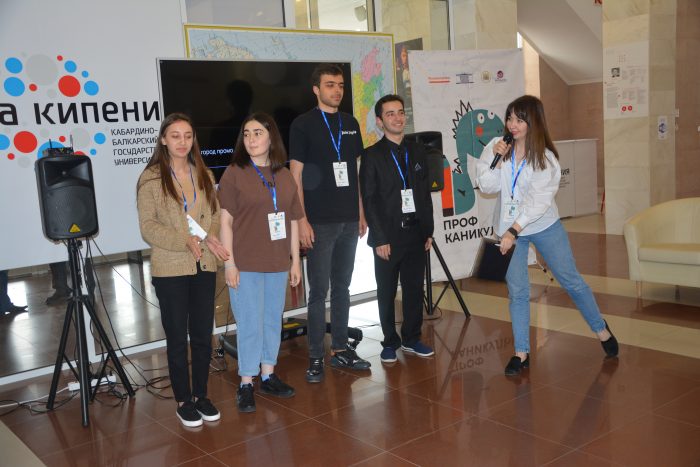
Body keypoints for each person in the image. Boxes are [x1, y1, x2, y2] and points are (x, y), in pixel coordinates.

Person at [475, 95, 619, 376]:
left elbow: (537, 203)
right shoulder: (496, 146)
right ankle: (521, 353)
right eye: (510, 118)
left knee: (571, 281)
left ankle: (600, 328)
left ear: (534, 122)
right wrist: (496, 159)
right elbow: (487, 186)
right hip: (509, 229)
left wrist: (513, 230)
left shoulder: (546, 159)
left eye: (519, 119)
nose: (512, 125)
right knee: (518, 292)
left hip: (543, 226)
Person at [137, 112, 230, 427]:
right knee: (177, 337)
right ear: (164, 139)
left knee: (203, 334)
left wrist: (210, 237)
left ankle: (201, 395)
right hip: (170, 268)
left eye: (188, 136)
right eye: (175, 136)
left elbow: (214, 213)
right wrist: (183, 240)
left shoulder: (204, 173)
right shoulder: (151, 179)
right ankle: (183, 400)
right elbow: (148, 226)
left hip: (204, 263)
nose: (182, 142)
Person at [289, 63, 370, 383]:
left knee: (342, 288)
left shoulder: (350, 124)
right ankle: (315, 357)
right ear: (316, 89)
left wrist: (360, 212)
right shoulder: (303, 125)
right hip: (319, 222)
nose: (337, 90)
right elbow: (296, 176)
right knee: (318, 292)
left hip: (349, 219)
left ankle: (339, 349)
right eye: (330, 85)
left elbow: (354, 172)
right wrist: (302, 220)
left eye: (340, 85)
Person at [218, 112, 302, 413]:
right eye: (247, 134)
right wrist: (229, 264)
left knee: (271, 320)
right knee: (250, 323)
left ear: (271, 137)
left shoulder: (284, 175)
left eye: (258, 133)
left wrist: (295, 262)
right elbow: (225, 222)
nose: (251, 139)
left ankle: (268, 375)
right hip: (245, 263)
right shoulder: (234, 173)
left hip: (277, 262)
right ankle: (246, 382)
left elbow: (293, 220)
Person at [360, 94, 434, 363]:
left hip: (416, 233)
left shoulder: (417, 151)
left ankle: (412, 338)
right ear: (380, 121)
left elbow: (424, 193)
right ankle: (390, 341)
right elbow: (369, 200)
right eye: (390, 113)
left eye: (401, 112)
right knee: (387, 291)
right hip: (388, 236)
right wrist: (379, 238)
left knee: (414, 289)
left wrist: (428, 230)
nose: (397, 118)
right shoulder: (371, 156)